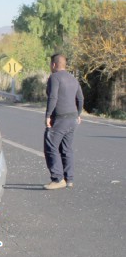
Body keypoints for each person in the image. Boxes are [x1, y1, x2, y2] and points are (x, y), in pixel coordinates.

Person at [43, 54, 84, 190]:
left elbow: (53, 96)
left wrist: (48, 115)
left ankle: (58, 179)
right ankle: (69, 178)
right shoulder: (73, 79)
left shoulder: (54, 78)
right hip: (72, 118)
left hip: (60, 118)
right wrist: (78, 114)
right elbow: (81, 98)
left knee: (51, 146)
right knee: (66, 148)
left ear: (54, 65)